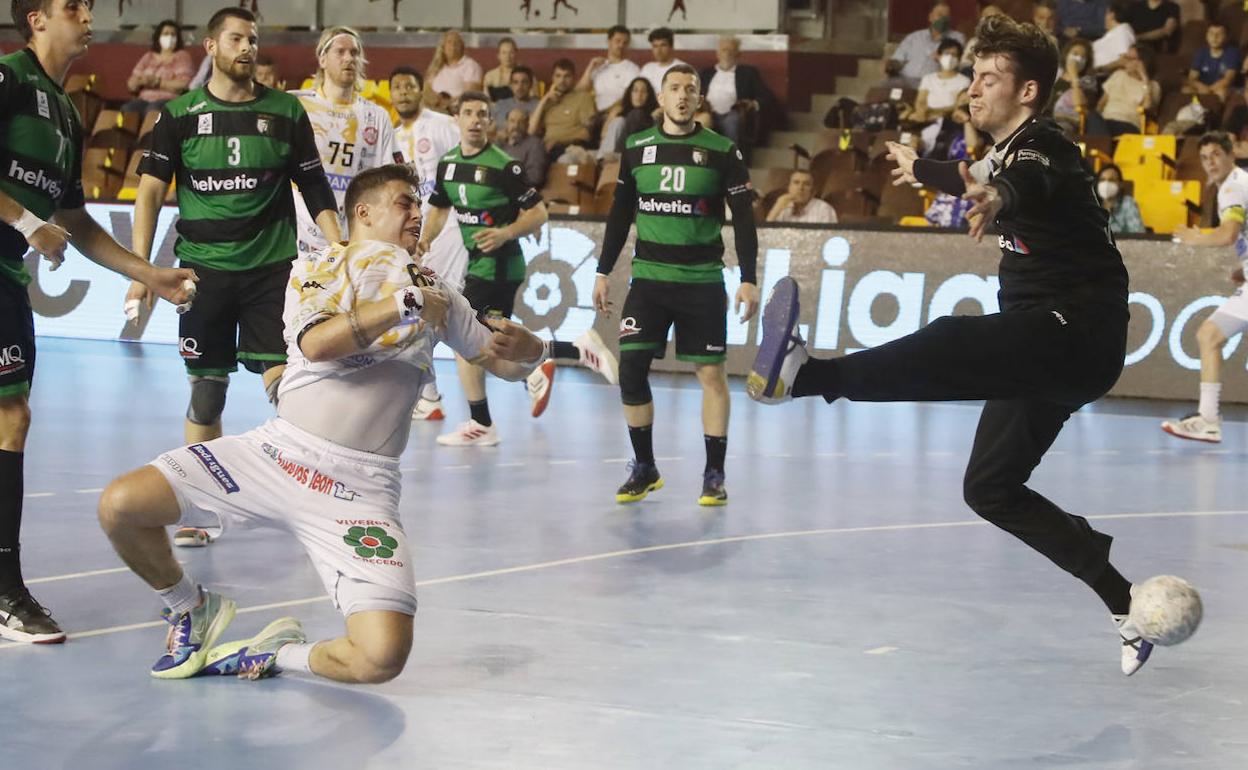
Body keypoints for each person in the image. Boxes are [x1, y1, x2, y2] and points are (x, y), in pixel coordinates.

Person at [749, 14, 1178, 676]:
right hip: (1046, 351)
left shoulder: (1046, 146)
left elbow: (1020, 181)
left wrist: (994, 194)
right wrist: (920, 167)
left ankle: (806, 378)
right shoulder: (1003, 150)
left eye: (988, 78)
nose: (973, 89)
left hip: (1073, 332)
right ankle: (1124, 603)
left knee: (952, 338)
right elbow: (974, 174)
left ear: (1028, 91)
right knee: (990, 488)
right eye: (972, 77)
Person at [97, 163, 555, 684]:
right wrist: (402, 304)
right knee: (121, 506)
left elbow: (502, 360)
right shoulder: (319, 267)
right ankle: (188, 605)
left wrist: (532, 348)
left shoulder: (438, 291)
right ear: (364, 211)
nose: (417, 214)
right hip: (278, 455)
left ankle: (273, 654)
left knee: (381, 658)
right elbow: (318, 344)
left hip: (361, 488)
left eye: (419, 204)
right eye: (405, 202)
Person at [0, 0, 196, 643]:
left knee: (10, 416)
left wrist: (148, 273)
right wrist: (29, 223)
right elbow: (44, 220)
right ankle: (5, 592)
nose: (87, 15)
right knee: (10, 418)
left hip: (9, 272)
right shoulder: (10, 80)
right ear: (35, 20)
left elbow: (75, 220)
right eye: (72, 7)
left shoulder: (65, 107)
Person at [124, 7, 341, 551]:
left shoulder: (285, 111)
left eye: (253, 39)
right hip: (203, 276)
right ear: (211, 46)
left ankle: (309, 497)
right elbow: (149, 192)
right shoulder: (177, 115)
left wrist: (340, 249)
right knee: (206, 396)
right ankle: (199, 506)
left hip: (272, 272)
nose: (247, 47)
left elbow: (314, 188)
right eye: (237, 38)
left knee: (290, 390)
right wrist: (142, 272)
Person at [593, 64, 761, 506]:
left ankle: (714, 474)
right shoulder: (635, 148)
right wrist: (601, 271)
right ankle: (645, 468)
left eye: (691, 89)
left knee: (711, 375)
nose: (683, 95)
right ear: (661, 99)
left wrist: (748, 278)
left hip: (702, 283)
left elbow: (744, 218)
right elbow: (619, 214)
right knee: (630, 370)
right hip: (648, 281)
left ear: (700, 99)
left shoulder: (723, 150)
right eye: (674, 88)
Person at [419, 92, 615, 445]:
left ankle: (487, 419)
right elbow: (438, 208)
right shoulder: (448, 163)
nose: (476, 119)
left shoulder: (503, 165)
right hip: (478, 264)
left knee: (468, 339)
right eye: (468, 113)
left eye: (483, 113)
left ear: (490, 121)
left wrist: (505, 232)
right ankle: (560, 356)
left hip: (500, 267)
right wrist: (424, 239)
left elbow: (539, 212)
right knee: (492, 345)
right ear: (457, 120)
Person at [389, 64, 467, 422]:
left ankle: (430, 396)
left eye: (409, 85)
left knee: (439, 309)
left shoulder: (441, 125)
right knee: (421, 310)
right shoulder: (389, 136)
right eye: (397, 87)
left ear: (421, 90)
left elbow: (466, 162)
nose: (403, 92)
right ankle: (428, 396)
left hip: (449, 228)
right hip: (415, 234)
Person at [1163, 133, 1248, 443]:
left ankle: (1209, 419)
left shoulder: (1231, 187)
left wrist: (1192, 237)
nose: (1210, 162)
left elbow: (1228, 234)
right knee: (1209, 336)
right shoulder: (1241, 181)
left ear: (1230, 156)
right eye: (1204, 157)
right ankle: (1208, 418)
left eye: (1215, 155)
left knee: (1208, 335)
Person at [290, 26, 396, 258]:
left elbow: (390, 179)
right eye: (340, 51)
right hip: (301, 234)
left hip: (356, 233)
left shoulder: (376, 116)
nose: (349, 58)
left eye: (354, 53)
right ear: (322, 59)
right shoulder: (296, 105)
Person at [697, 35, 775, 152]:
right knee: (700, 122)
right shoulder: (706, 73)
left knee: (731, 121)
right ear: (717, 54)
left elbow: (766, 96)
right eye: (724, 50)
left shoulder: (748, 73)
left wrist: (753, 104)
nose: (727, 54)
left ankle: (732, 160)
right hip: (708, 113)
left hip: (733, 114)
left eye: (731, 50)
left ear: (738, 54)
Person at [121, 19, 193, 114]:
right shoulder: (148, 56)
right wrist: (136, 83)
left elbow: (184, 84)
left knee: (153, 109)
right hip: (144, 99)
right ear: (158, 37)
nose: (170, 37)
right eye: (166, 34)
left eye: (173, 34)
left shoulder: (182, 56)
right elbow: (133, 82)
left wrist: (157, 82)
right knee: (128, 109)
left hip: (169, 100)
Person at [529, 59, 597, 159]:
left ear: (574, 78)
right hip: (545, 148)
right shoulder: (548, 102)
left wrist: (559, 142)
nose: (562, 81)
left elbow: (586, 134)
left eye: (567, 76)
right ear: (553, 78)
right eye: (558, 76)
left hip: (571, 146)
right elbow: (531, 131)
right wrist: (545, 99)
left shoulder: (583, 97)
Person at [887, 2, 966, 88]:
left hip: (935, 83)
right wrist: (890, 64)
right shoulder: (914, 37)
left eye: (946, 17)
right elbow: (897, 59)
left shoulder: (957, 38)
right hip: (905, 80)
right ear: (931, 17)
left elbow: (959, 62)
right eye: (939, 15)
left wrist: (942, 57)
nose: (943, 19)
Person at [577, 25, 640, 118]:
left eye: (625, 43)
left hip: (618, 114)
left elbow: (627, 99)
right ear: (609, 41)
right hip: (594, 114)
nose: (621, 45)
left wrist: (603, 112)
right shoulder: (598, 66)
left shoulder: (632, 68)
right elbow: (579, 91)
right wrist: (590, 68)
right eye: (617, 41)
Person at [1096, 44, 1158, 136]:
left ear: (1143, 62)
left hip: (1128, 125)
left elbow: (1147, 108)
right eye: (1125, 57)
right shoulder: (1118, 75)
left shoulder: (1152, 85)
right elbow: (1101, 104)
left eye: (1129, 59)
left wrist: (1144, 78)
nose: (1125, 62)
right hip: (1105, 121)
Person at [913, 38, 972, 127]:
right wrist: (923, 113)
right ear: (939, 56)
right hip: (926, 121)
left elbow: (958, 107)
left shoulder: (965, 81)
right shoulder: (928, 78)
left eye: (954, 55)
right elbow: (920, 101)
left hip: (950, 124)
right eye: (946, 53)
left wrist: (933, 112)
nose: (950, 57)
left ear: (959, 59)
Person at [599, 76, 658, 160]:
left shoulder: (655, 113)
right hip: (614, 153)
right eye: (635, 91)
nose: (639, 95)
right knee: (619, 120)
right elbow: (603, 137)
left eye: (643, 91)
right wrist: (612, 119)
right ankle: (604, 160)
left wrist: (655, 116)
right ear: (630, 93)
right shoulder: (619, 112)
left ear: (649, 95)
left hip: (640, 153)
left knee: (636, 114)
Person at [1051, 38, 1100, 134]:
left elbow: (1079, 106)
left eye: (1083, 56)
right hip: (1046, 119)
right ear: (1066, 54)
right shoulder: (1055, 74)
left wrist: (1074, 75)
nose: (1078, 59)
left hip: (1067, 123)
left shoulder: (1088, 81)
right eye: (1075, 54)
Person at [1183, 23, 1239, 103]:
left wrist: (1209, 90)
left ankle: (1215, 114)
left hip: (1221, 87)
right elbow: (1192, 78)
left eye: (1219, 34)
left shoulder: (1232, 53)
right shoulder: (1201, 53)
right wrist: (1201, 87)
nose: (1215, 37)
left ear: (1226, 37)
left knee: (1221, 92)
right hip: (1203, 87)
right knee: (1186, 90)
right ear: (1206, 36)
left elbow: (1228, 79)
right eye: (1211, 33)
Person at [427, 30, 482, 110]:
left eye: (457, 42)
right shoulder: (437, 67)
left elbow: (470, 95)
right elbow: (427, 89)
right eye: (449, 42)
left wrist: (447, 104)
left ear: (462, 47)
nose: (453, 45)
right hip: (434, 108)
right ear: (443, 47)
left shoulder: (470, 65)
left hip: (457, 110)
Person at [496, 108, 548, 188]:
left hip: (519, 192)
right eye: (512, 121)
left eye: (521, 122)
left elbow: (535, 178)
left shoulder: (535, 144)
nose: (516, 126)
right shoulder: (500, 144)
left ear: (527, 125)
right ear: (506, 124)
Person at [766, 169, 838, 224]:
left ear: (813, 191)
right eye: (796, 182)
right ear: (789, 188)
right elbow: (766, 235)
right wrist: (776, 208)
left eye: (806, 184)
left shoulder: (824, 209)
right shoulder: (782, 207)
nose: (800, 188)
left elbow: (828, 240)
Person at [1096, 163, 1145, 234]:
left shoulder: (1128, 204)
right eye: (1102, 180)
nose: (1106, 184)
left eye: (1111, 180)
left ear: (1120, 184)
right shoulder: (1093, 205)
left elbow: (1139, 235)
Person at [640, 27, 686, 94]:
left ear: (671, 47)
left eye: (663, 45)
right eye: (655, 46)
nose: (658, 51)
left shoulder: (683, 69)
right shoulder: (647, 68)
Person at [490, 65, 538, 129]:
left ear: (531, 85)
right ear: (511, 85)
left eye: (524, 82)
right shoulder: (500, 105)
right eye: (515, 82)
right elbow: (488, 129)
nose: (519, 87)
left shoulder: (539, 106)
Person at [1092, 1, 1134, 72]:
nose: (1104, 17)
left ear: (1111, 15)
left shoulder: (1123, 31)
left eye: (1106, 14)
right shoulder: (1114, 33)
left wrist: (1101, 69)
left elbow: (1125, 60)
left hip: (1097, 75)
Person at [482, 37, 517, 102]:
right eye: (504, 53)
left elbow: (532, 100)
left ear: (516, 54)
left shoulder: (526, 75)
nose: (507, 56)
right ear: (498, 55)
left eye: (511, 52)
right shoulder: (490, 76)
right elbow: (486, 100)